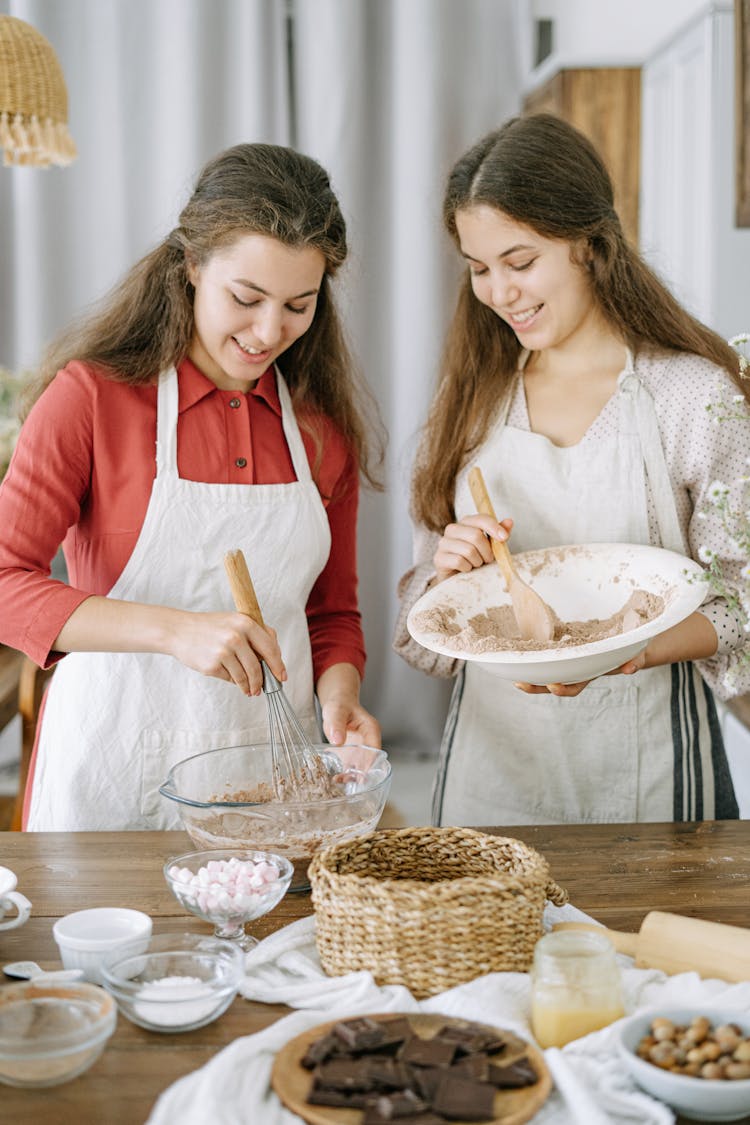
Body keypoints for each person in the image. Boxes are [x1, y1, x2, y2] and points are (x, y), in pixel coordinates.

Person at [0, 142, 384, 830]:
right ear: (192, 265)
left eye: (300, 304)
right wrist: (174, 630)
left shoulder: (322, 432)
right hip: (113, 764)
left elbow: (330, 614)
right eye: (247, 297)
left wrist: (341, 695)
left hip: (270, 773)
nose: (270, 331)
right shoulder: (92, 399)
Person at [394, 113, 750, 827]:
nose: (499, 292)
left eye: (520, 262)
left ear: (590, 243)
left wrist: (620, 650)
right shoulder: (469, 398)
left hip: (650, 773)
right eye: (479, 268)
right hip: (489, 783)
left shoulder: (691, 394)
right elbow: (420, 625)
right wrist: (446, 573)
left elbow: (740, 600)